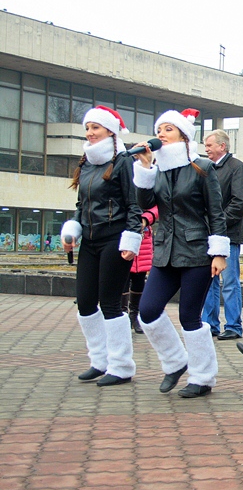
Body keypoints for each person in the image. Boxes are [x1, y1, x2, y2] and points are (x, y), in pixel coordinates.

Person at [132, 108, 229, 398]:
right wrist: (146, 168)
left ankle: (202, 378)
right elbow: (146, 202)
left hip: (198, 252)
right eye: (159, 129)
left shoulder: (202, 167)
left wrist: (219, 252)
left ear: (183, 135)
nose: (160, 134)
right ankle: (175, 362)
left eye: (168, 129)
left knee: (190, 315)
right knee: (147, 312)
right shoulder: (158, 169)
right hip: (166, 251)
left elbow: (216, 212)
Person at [61, 106, 142, 387]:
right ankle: (99, 360)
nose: (90, 133)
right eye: (87, 128)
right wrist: (72, 229)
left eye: (95, 127)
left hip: (115, 239)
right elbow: (81, 205)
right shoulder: (86, 162)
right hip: (90, 241)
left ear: (110, 130)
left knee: (109, 303)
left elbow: (134, 205)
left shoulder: (122, 161)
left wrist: (132, 239)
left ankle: (121, 366)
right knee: (84, 303)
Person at [201, 129, 243, 340]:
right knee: (208, 282)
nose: (206, 149)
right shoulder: (206, 168)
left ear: (222, 146)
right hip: (209, 235)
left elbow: (241, 202)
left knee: (229, 282)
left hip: (229, 235)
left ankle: (233, 326)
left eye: (210, 145)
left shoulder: (236, 167)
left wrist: (219, 222)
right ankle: (209, 324)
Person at [122, 205, 158, 334]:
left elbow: (156, 208)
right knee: (123, 280)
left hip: (144, 239)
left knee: (139, 280)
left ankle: (134, 316)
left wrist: (145, 219)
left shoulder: (147, 189)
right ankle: (123, 315)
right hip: (125, 236)